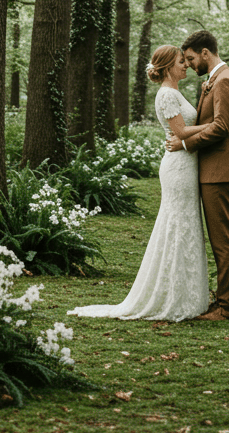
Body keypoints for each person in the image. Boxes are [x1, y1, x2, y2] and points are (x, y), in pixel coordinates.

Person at [67, 45, 211, 322]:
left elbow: (185, 127)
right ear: (168, 66)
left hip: (187, 163)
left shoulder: (175, 92)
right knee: (177, 223)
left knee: (187, 223)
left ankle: (186, 294)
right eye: (181, 62)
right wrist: (215, 125)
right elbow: (180, 131)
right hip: (178, 167)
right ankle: (172, 296)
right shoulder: (166, 94)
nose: (186, 65)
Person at [166, 29, 229, 321]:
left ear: (205, 53)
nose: (188, 65)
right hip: (213, 169)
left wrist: (185, 143)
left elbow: (222, 126)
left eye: (190, 59)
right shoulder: (214, 80)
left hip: (220, 170)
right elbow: (217, 123)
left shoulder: (223, 81)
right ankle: (223, 300)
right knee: (219, 239)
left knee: (223, 240)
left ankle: (228, 307)